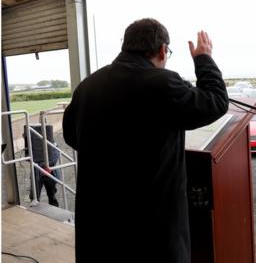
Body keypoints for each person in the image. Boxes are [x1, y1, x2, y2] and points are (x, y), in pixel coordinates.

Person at [62, 18, 228, 262]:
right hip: (151, 233)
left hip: (99, 227)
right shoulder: (163, 83)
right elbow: (215, 101)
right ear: (162, 50)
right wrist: (203, 58)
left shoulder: (88, 86)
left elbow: (71, 135)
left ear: (126, 46)